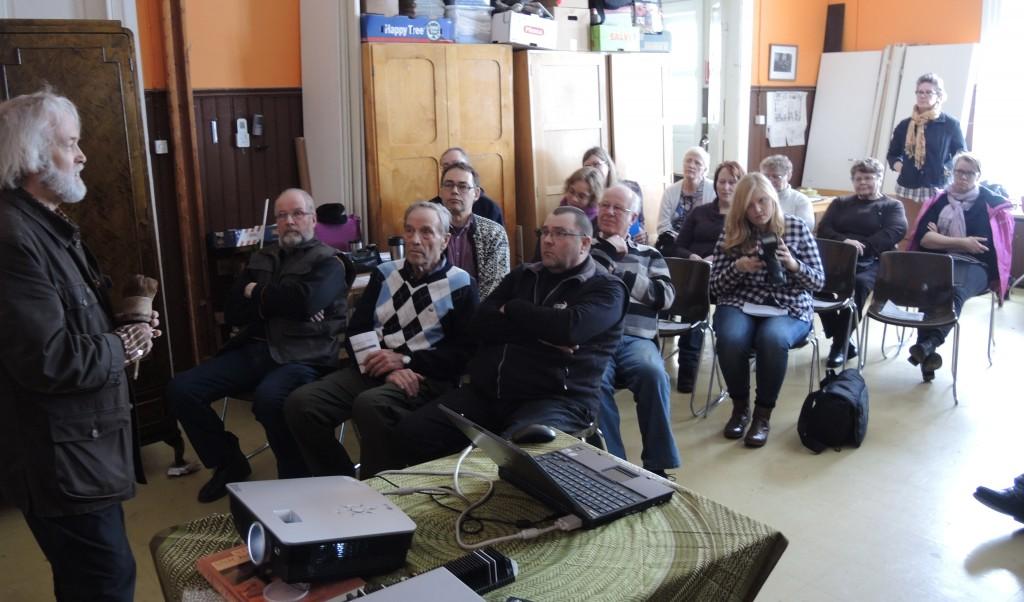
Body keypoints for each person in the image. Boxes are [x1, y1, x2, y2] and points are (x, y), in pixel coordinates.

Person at [0, 90, 160, 601]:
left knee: (94, 577)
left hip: (79, 446)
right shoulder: (13, 237)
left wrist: (120, 326)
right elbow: (46, 359)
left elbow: (65, 323)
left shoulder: (43, 223)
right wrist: (124, 346)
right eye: (71, 144)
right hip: (58, 458)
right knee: (104, 582)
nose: (83, 155)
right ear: (32, 157)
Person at [386, 206, 629, 467]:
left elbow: (569, 328)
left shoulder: (607, 289)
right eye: (544, 232)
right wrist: (542, 333)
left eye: (559, 234)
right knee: (410, 435)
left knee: (513, 460)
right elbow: (479, 324)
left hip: (555, 400)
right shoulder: (524, 275)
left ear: (584, 243)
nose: (547, 240)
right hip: (489, 394)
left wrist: (514, 309)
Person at [166, 188, 348, 502]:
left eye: (297, 214)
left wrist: (257, 293)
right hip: (255, 348)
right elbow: (233, 309)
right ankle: (228, 462)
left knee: (269, 398)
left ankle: (293, 480)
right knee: (181, 389)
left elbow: (305, 303)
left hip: (304, 355)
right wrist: (284, 299)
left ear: (313, 219)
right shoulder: (261, 257)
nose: (289, 221)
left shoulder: (331, 262)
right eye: (282, 215)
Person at [286, 202, 478, 478]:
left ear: (445, 239)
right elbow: (357, 330)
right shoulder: (385, 273)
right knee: (301, 404)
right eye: (409, 230)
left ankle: (380, 490)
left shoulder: (461, 284)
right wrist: (385, 366)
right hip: (374, 365)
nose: (414, 240)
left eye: (426, 232)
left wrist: (405, 361)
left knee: (370, 406)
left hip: (425, 376)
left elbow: (465, 353)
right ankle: (339, 479)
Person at [710, 173, 824, 448]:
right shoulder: (733, 233)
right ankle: (740, 409)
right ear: (741, 209)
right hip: (742, 302)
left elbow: (819, 281)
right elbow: (714, 286)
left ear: (773, 199)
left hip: (789, 306)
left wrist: (794, 266)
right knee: (731, 338)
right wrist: (738, 269)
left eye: (762, 201)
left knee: (772, 340)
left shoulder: (795, 228)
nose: (758, 210)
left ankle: (762, 415)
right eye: (750, 205)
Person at [589, 185, 678, 476]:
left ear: (634, 217)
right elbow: (577, 288)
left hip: (635, 339)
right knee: (595, 383)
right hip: (595, 339)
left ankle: (658, 464)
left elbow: (665, 298)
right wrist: (604, 255)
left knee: (653, 374)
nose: (609, 212)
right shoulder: (584, 250)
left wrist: (624, 274)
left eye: (618, 208)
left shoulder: (649, 255)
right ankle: (614, 467)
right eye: (605, 205)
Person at [906, 152, 1014, 382]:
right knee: (930, 288)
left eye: (969, 173)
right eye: (958, 171)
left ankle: (929, 343)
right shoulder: (940, 200)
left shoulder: (990, 204)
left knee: (953, 289)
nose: (962, 177)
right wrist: (962, 242)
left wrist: (942, 238)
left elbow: (980, 247)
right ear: (952, 172)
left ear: (978, 175)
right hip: (938, 261)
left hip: (976, 267)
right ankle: (927, 353)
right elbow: (925, 239)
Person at [816, 158, 907, 368]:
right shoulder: (840, 203)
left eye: (868, 178)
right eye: (858, 179)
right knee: (814, 283)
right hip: (839, 258)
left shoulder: (892, 205)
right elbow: (824, 229)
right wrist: (846, 242)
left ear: (879, 178)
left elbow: (896, 231)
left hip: (874, 260)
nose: (862, 182)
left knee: (858, 285)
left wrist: (863, 246)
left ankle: (838, 345)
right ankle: (843, 337)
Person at [667, 160, 744, 393]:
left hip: (727, 280)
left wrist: (717, 261)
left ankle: (697, 368)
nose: (726, 187)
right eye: (722, 181)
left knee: (698, 302)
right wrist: (692, 257)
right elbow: (677, 247)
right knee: (684, 300)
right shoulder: (699, 212)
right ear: (715, 183)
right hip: (695, 273)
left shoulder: (744, 217)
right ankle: (679, 368)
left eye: (733, 182)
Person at [886, 73, 966, 203]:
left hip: (938, 188)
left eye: (929, 92)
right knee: (908, 224)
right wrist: (901, 167)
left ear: (939, 96)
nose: (923, 96)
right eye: (920, 92)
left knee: (934, 224)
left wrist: (946, 169)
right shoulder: (904, 125)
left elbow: (961, 153)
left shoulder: (950, 124)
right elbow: (892, 154)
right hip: (907, 188)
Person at [438, 161, 510, 299]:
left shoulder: (494, 232)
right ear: (441, 192)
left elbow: (496, 285)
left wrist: (471, 311)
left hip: (480, 312)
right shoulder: (429, 230)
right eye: (448, 185)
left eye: (463, 186)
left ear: (476, 194)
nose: (454, 191)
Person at [582, 146, 648, 244]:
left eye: (596, 164)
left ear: (608, 166)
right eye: (587, 167)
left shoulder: (632, 188)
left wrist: (642, 232)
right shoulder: (584, 196)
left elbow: (640, 220)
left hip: (633, 243)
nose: (593, 170)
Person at [656, 146, 715, 247]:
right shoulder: (670, 191)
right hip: (674, 243)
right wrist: (679, 240)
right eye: (688, 161)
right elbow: (662, 225)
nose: (691, 165)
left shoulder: (713, 190)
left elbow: (714, 224)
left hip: (702, 244)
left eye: (697, 163)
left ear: (705, 169)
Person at [428, 146, 504, 225]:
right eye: (446, 166)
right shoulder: (431, 208)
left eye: (457, 164)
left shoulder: (490, 208)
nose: (452, 169)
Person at [759, 154, 815, 229]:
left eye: (776, 176)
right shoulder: (756, 198)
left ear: (788, 176)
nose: (770, 180)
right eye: (766, 176)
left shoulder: (801, 200)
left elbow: (807, 227)